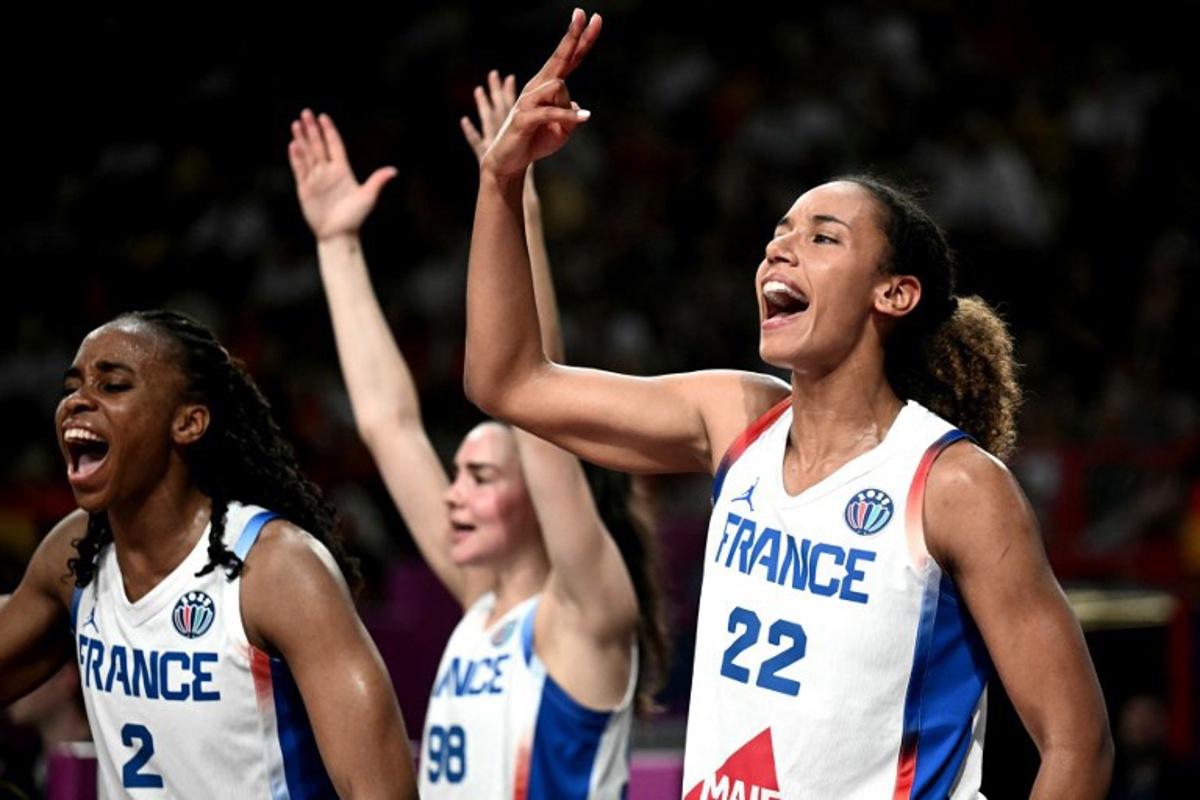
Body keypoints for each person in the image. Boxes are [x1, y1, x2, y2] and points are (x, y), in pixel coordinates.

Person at [461, 10, 1114, 799]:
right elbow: (509, 382)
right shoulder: (738, 420)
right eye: (779, 231)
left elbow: (1077, 743)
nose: (780, 246)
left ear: (894, 293)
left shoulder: (953, 486)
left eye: (822, 237)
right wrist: (502, 182)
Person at [287, 75, 667, 800]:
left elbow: (537, 387)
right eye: (459, 473)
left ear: (545, 490)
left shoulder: (583, 616)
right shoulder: (482, 604)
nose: (452, 494)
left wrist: (513, 193)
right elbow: (388, 424)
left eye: (483, 477)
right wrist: (337, 244)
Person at [0, 310, 417, 799]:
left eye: (112, 386)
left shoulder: (277, 568)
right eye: (73, 386)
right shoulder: (75, 556)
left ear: (188, 421)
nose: (77, 401)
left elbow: (383, 791)